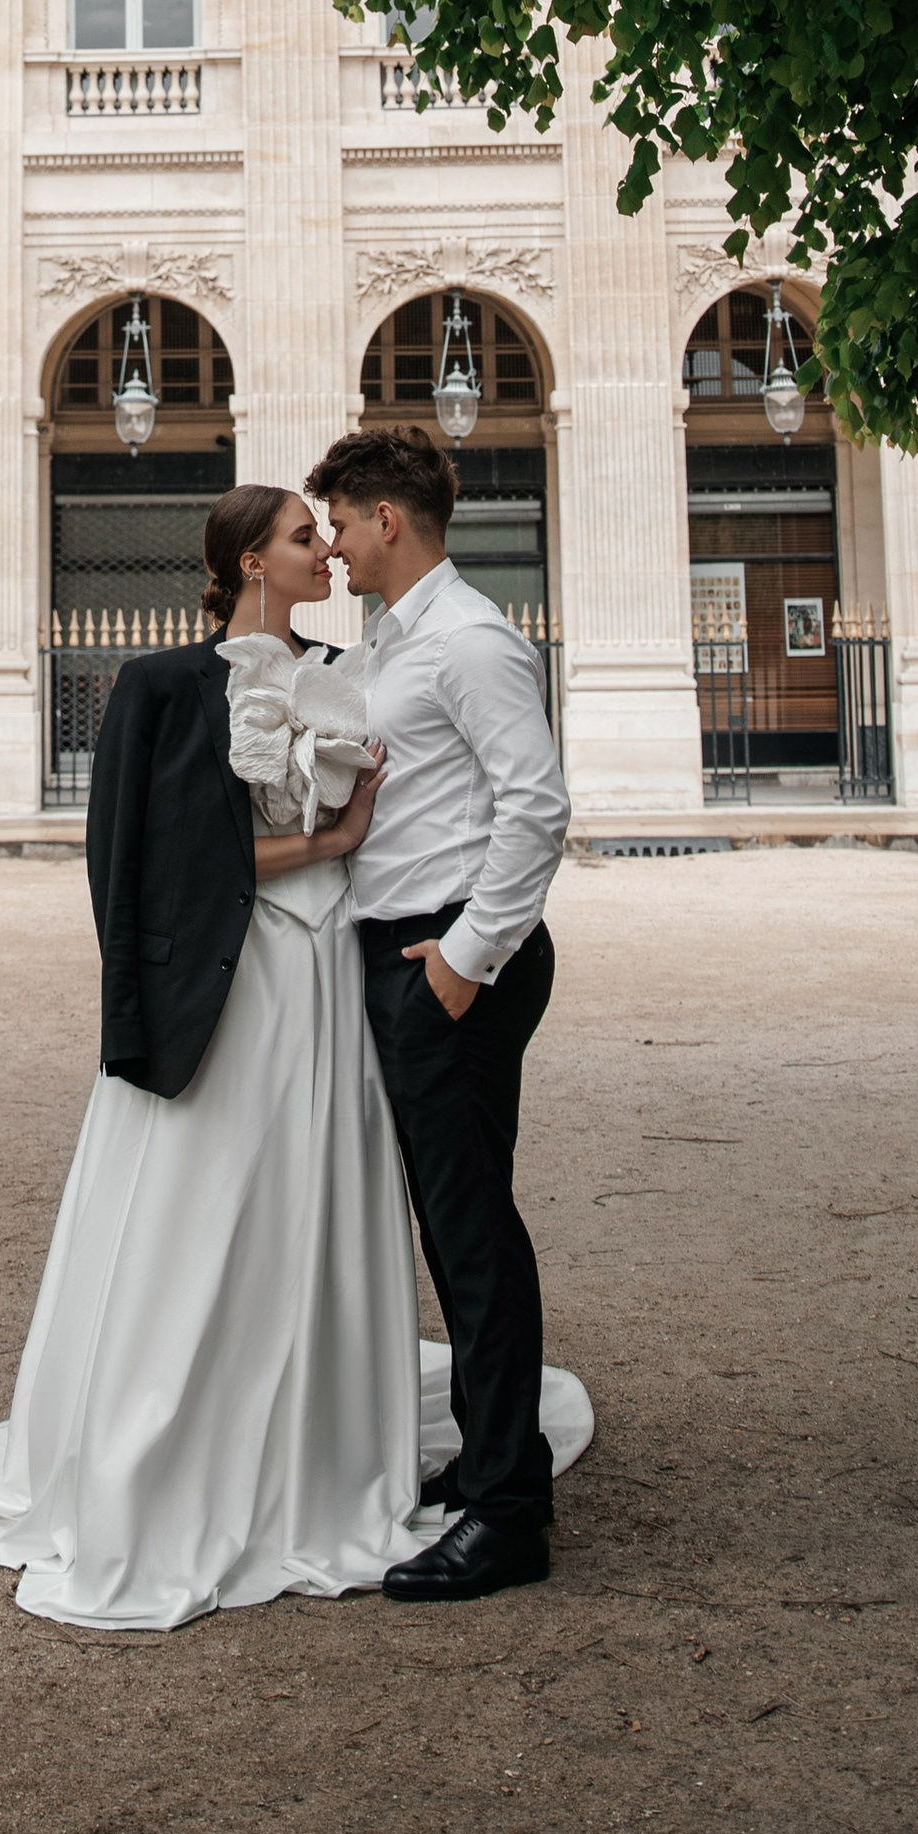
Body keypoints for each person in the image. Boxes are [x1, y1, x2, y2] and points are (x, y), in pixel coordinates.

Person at [0, 484, 587, 1629]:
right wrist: (326, 842)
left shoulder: (356, 671)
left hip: (336, 975)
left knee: (333, 1205)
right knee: (215, 1201)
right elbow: (147, 870)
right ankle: (205, 1436)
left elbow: (483, 806)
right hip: (245, 971)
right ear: (251, 562)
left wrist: (419, 910)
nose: (331, 552)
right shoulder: (164, 686)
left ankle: (336, 1445)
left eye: (335, 530)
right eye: (307, 537)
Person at [306, 422, 575, 1605]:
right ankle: (489, 1458)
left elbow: (537, 809)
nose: (331, 547)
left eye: (339, 525)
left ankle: (511, 1513)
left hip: (454, 954)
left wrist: (462, 965)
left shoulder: (468, 642)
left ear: (387, 521)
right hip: (417, 948)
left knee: (469, 1231)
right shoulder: (396, 638)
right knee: (454, 1222)